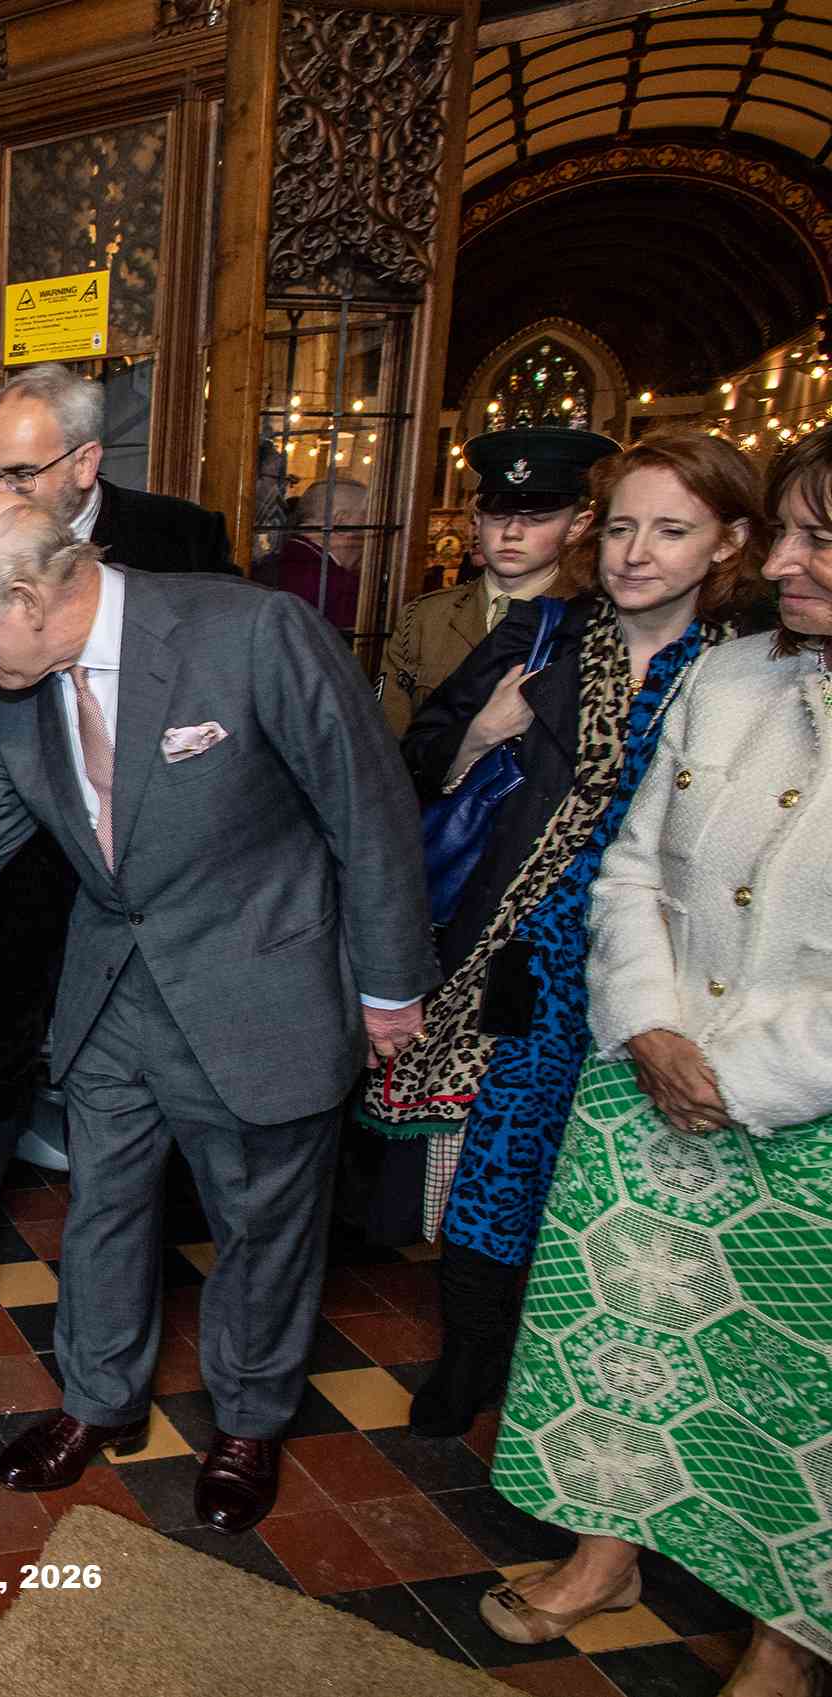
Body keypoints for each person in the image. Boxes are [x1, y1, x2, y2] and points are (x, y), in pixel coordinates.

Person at [0, 490, 435, 1534]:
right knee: (101, 1207)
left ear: (32, 597)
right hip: (112, 996)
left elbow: (368, 809)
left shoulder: (253, 633)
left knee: (261, 1224)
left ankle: (247, 1419)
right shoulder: (19, 699)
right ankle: (96, 1398)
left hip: (254, 989)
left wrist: (390, 988)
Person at [475, 428, 832, 1695]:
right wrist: (649, 1024)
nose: (783, 558)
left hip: (808, 1107)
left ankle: (788, 1636)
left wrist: (748, 1073)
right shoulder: (731, 677)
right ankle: (602, 1550)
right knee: (625, 1328)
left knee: (796, 1378)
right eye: (784, 529)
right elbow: (631, 862)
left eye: (816, 537)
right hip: (649, 1064)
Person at [365, 433, 759, 1438]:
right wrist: (480, 734)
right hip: (527, 952)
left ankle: (602, 1365)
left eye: (671, 530)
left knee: (628, 1174)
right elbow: (412, 756)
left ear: (727, 543)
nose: (637, 551)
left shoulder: (745, 671)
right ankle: (469, 1356)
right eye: (624, 526)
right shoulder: (544, 636)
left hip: (673, 969)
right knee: (501, 1156)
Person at [0, 363, 238, 1359]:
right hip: (8, 852)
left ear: (86, 462)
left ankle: (143, 1276)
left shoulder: (181, 538)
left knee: (155, 1058)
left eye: (19, 473)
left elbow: (229, 695)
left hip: (149, 862)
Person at [379, 427, 616, 737]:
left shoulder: (594, 622)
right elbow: (385, 742)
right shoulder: (425, 619)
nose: (512, 532)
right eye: (498, 516)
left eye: (537, 518)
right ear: (477, 521)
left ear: (576, 526)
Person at [263, 475, 369, 631]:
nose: (371, 533)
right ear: (341, 523)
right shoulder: (340, 587)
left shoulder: (271, 562)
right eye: (366, 518)